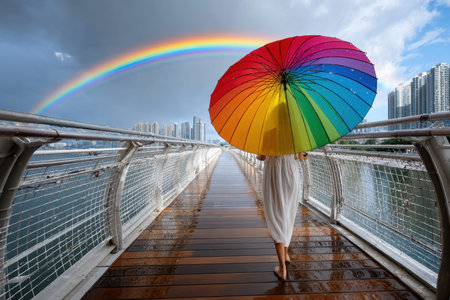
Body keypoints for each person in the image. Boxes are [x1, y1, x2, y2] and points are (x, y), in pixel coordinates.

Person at [256, 152, 308, 281]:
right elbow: (301, 158)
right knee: (288, 216)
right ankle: (285, 255)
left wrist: (259, 155)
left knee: (276, 217)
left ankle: (282, 269)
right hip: (291, 173)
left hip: (274, 173)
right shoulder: (295, 133)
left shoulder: (266, 133)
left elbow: (262, 157)